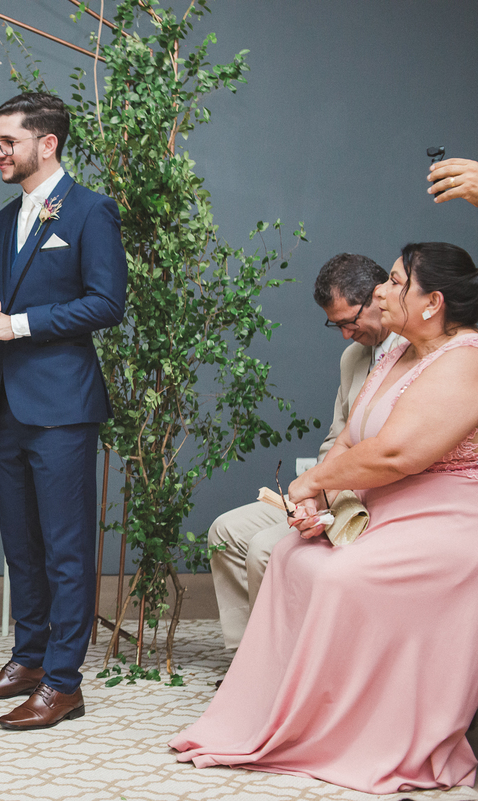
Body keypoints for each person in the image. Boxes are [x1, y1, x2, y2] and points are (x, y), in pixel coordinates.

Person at [171, 242, 478, 793]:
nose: (381, 290)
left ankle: (350, 733)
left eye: (395, 281)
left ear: (432, 303)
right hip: (384, 505)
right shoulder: (395, 355)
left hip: (450, 516)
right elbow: (351, 439)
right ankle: (283, 712)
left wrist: (313, 483)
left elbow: (396, 453)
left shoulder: (465, 358)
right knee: (291, 554)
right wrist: (317, 497)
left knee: (341, 576)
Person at [0, 92, 127, 730]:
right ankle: (28, 661)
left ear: (47, 143)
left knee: (65, 549)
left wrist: (19, 324)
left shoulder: (91, 211)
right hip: (8, 405)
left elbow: (106, 303)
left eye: (8, 141)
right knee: (21, 545)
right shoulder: (5, 218)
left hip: (62, 407)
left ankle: (63, 683)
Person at [208, 253, 402, 649]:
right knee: (224, 532)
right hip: (329, 486)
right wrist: (312, 493)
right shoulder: (353, 357)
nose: (345, 335)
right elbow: (336, 437)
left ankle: (280, 661)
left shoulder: (414, 352)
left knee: (265, 547)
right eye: (336, 325)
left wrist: (322, 491)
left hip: (370, 492)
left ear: (379, 296)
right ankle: (245, 655)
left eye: (349, 322)